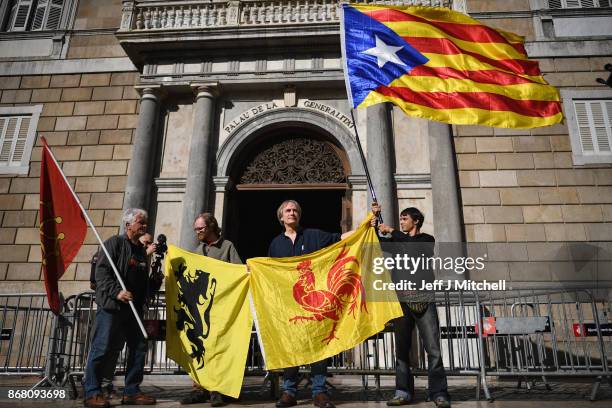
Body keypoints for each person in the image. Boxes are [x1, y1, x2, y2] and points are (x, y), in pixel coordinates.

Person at [268, 200, 356, 408]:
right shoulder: (275, 244)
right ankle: (289, 392)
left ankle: (319, 392)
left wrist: (364, 228)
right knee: (290, 348)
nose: (292, 213)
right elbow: (270, 272)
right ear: (281, 217)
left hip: (315, 304)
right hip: (288, 306)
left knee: (318, 347)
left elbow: (340, 238)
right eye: (288, 211)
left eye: (295, 210)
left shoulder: (314, 235)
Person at [373, 204, 451, 408]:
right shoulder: (398, 242)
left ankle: (439, 392)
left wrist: (392, 231)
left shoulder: (426, 240)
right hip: (402, 302)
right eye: (400, 219)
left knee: (433, 349)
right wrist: (374, 223)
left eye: (405, 218)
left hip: (424, 300)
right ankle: (403, 391)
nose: (401, 221)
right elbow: (378, 242)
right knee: (402, 350)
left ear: (416, 221)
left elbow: (413, 247)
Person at [83, 208, 161, 408]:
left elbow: (140, 283)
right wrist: (116, 292)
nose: (144, 226)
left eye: (145, 222)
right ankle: (92, 392)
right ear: (128, 225)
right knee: (102, 348)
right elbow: (101, 273)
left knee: (138, 348)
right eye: (140, 223)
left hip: (134, 310)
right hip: (112, 307)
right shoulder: (114, 244)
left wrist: (154, 284)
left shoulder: (141, 252)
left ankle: (132, 391)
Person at [179, 213, 242, 407]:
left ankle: (218, 389)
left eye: (201, 228)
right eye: (196, 228)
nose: (197, 232)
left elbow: (238, 271)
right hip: (200, 308)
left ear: (212, 227)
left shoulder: (227, 246)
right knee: (199, 348)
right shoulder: (197, 251)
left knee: (219, 349)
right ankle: (199, 389)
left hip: (221, 308)